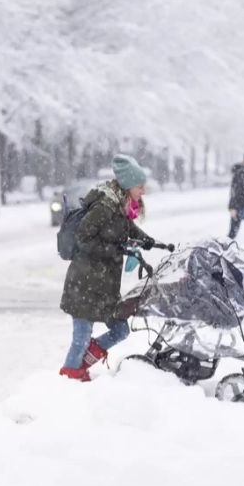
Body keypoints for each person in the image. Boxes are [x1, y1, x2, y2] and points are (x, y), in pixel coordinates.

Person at [58, 154, 161, 382]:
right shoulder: (105, 206)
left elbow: (126, 228)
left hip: (103, 286)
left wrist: (146, 240)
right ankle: (68, 379)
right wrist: (117, 250)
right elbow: (84, 239)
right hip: (84, 284)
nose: (143, 190)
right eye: (140, 186)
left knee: (120, 331)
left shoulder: (118, 205)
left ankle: (84, 363)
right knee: (81, 339)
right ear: (128, 185)